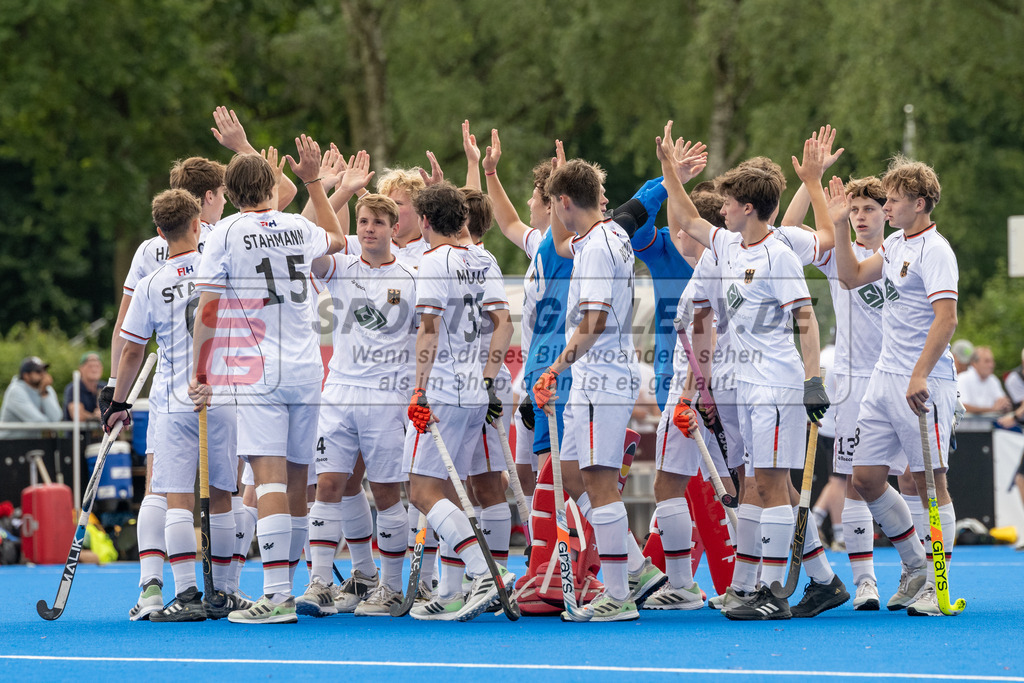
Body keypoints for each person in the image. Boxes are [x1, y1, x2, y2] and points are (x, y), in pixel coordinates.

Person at [658, 122, 846, 620]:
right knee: (757, 486)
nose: (720, 209)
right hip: (743, 384)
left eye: (728, 202)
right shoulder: (726, 247)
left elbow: (806, 320)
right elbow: (688, 220)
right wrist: (668, 174)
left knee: (767, 482)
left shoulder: (779, 254)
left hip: (778, 384)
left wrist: (811, 381)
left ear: (748, 208)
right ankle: (768, 585)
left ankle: (770, 590)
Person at [190, 135, 349, 624]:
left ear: (233, 194)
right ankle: (295, 585)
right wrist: (314, 183)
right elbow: (338, 241)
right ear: (271, 186)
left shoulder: (227, 232)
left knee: (269, 478)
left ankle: (277, 596)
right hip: (306, 368)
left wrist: (201, 371)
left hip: (256, 371)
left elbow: (209, 308)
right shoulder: (297, 225)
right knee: (299, 479)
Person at [103, 188, 242, 622]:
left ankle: (186, 594)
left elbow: (131, 352)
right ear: (199, 225)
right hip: (223, 395)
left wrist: (118, 401)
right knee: (222, 494)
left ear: (160, 232)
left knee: (177, 497)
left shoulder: (150, 283)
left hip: (175, 401)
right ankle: (226, 593)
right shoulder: (222, 269)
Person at [833, 154, 959, 617]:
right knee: (865, 479)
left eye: (895, 201)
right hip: (882, 381)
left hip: (923, 381)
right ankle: (914, 566)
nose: (886, 207)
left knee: (929, 481)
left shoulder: (936, 250)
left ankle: (936, 582)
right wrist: (839, 227)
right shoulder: (895, 247)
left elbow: (947, 318)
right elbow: (848, 277)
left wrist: (920, 373)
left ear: (920, 203)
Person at [534, 153, 649, 622]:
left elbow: (595, 321)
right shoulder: (604, 235)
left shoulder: (599, 246)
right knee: (574, 477)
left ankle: (620, 595)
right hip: (591, 379)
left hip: (601, 376)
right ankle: (636, 567)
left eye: (551, 203)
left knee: (600, 483)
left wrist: (556, 369)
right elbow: (571, 238)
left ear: (563, 202)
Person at [299, 189, 417, 617]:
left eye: (378, 223)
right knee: (328, 487)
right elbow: (306, 243)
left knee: (386, 493)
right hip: (339, 394)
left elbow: (420, 335)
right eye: (363, 222)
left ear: (393, 228)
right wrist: (327, 187)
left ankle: (389, 587)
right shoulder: (340, 266)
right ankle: (320, 583)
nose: (368, 229)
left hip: (386, 398)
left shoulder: (409, 276)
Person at [402, 181, 515, 621]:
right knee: (448, 490)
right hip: (475, 391)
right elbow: (503, 325)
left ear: (425, 222)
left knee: (421, 490)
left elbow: (428, 329)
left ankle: (483, 569)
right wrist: (488, 379)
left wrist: (419, 387)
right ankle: (456, 587)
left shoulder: (432, 262)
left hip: (445, 390)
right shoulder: (482, 257)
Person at [482, 129, 573, 525]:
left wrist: (564, 179)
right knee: (527, 474)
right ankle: (548, 558)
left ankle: (572, 562)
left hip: (556, 370)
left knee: (554, 474)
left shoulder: (564, 244)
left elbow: (566, 218)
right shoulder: (538, 243)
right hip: (534, 371)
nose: (528, 205)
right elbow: (506, 221)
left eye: (534, 198)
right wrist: (489, 173)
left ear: (550, 202)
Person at [0, 357, 62, 439]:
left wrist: (44, 393)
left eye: (44, 370)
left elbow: (56, 419)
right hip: (8, 444)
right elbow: (36, 421)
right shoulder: (15, 391)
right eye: (38, 371)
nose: (43, 374)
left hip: (30, 444)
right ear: (26, 375)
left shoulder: (46, 389)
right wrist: (51, 424)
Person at [958, 346, 1012, 415]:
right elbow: (962, 407)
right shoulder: (962, 379)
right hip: (967, 425)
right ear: (974, 363)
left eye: (992, 361)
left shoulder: (993, 380)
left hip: (987, 425)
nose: (991, 365)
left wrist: (1005, 406)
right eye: (987, 361)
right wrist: (992, 409)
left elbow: (1002, 403)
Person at [62, 352, 105, 422]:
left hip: (102, 432)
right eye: (90, 366)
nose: (94, 370)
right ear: (81, 368)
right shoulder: (73, 388)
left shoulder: (105, 387)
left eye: (97, 366)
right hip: (78, 433)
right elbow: (77, 415)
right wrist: (97, 416)